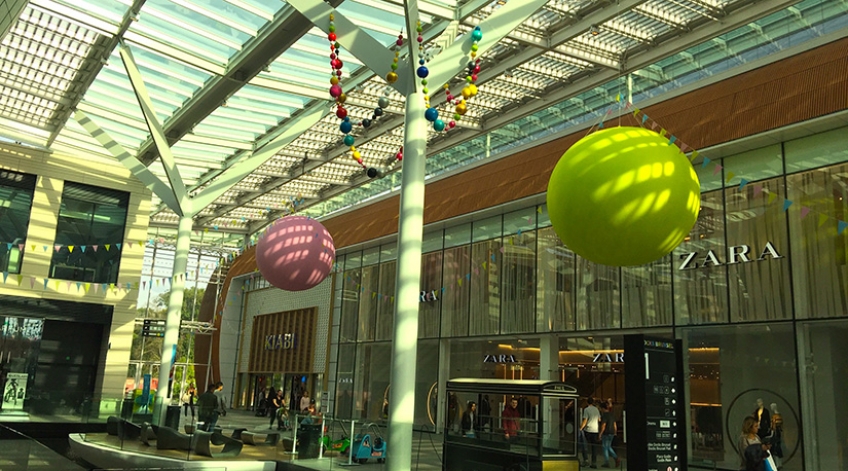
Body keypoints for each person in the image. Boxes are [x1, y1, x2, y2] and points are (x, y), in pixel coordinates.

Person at [580, 397, 601, 468]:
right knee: (594, 447)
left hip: (588, 430)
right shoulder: (596, 409)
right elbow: (599, 419)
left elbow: (585, 420)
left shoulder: (586, 409)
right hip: (595, 430)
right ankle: (594, 462)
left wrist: (581, 428)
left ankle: (586, 460)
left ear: (587, 402)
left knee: (584, 445)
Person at [598, 401, 621, 468]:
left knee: (605, 447)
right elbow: (614, 424)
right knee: (608, 446)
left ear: (603, 408)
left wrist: (600, 434)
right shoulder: (612, 415)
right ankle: (616, 458)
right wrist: (615, 432)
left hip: (606, 433)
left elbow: (603, 425)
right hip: (612, 432)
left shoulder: (604, 415)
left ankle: (607, 462)